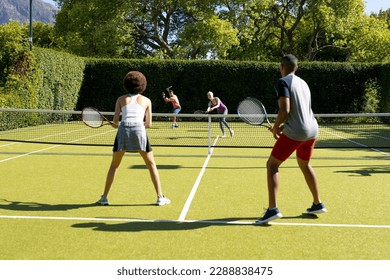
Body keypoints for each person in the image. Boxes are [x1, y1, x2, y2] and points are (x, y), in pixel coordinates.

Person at [256, 54, 326, 225]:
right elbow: (299, 112)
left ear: (282, 67)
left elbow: (285, 110)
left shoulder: (283, 82)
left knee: (272, 165)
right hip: (312, 130)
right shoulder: (304, 83)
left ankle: (272, 209)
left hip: (298, 131)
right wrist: (281, 127)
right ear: (297, 68)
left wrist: (275, 127)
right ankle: (318, 203)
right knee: (304, 164)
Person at [97, 71, 170, 206]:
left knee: (114, 165)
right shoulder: (147, 100)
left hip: (123, 130)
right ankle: (160, 197)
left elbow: (115, 124)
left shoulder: (120, 99)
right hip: (139, 131)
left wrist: (118, 124)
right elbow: (148, 124)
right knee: (151, 165)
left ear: (126, 84)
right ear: (142, 85)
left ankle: (104, 198)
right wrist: (137, 125)